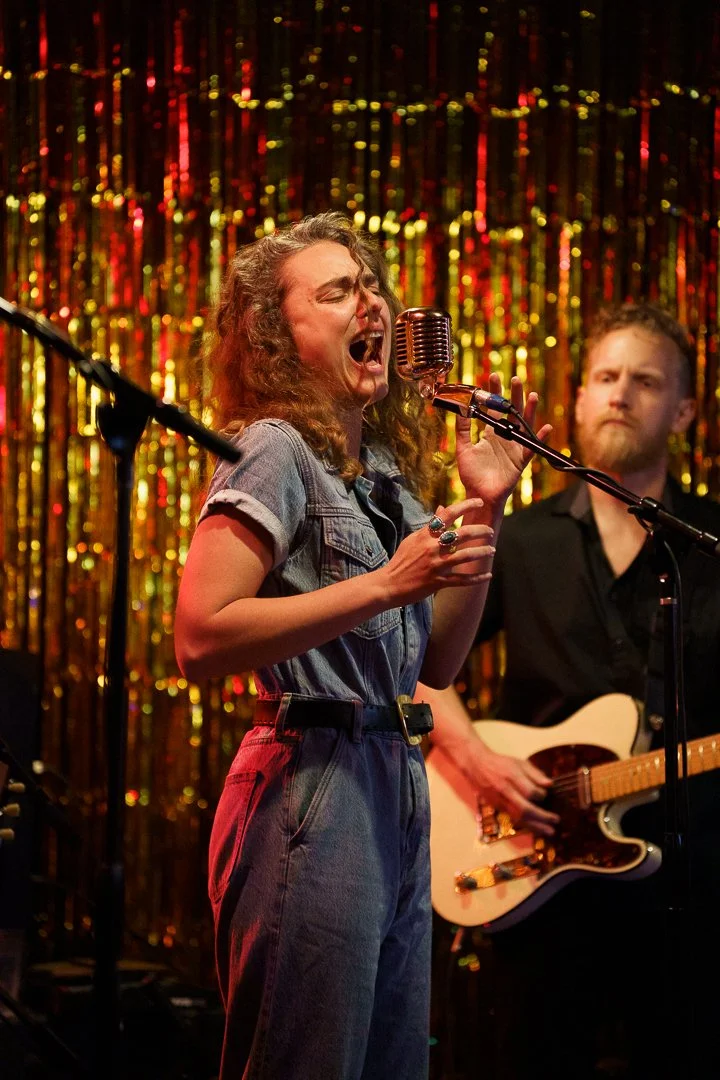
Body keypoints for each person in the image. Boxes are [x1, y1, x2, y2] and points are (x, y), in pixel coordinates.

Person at [172, 211, 548, 1080]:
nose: (368, 301)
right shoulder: (273, 448)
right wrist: (384, 583)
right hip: (313, 778)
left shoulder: (383, 476)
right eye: (336, 290)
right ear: (277, 333)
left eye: (370, 284)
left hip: (393, 779)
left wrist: (485, 508)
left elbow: (437, 668)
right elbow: (200, 635)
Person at [418, 303, 720, 1080]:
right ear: (580, 398)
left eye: (645, 382)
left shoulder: (711, 546)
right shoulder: (520, 538)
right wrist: (479, 762)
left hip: (690, 885)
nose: (620, 394)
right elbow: (419, 666)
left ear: (684, 409)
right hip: (537, 873)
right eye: (605, 378)